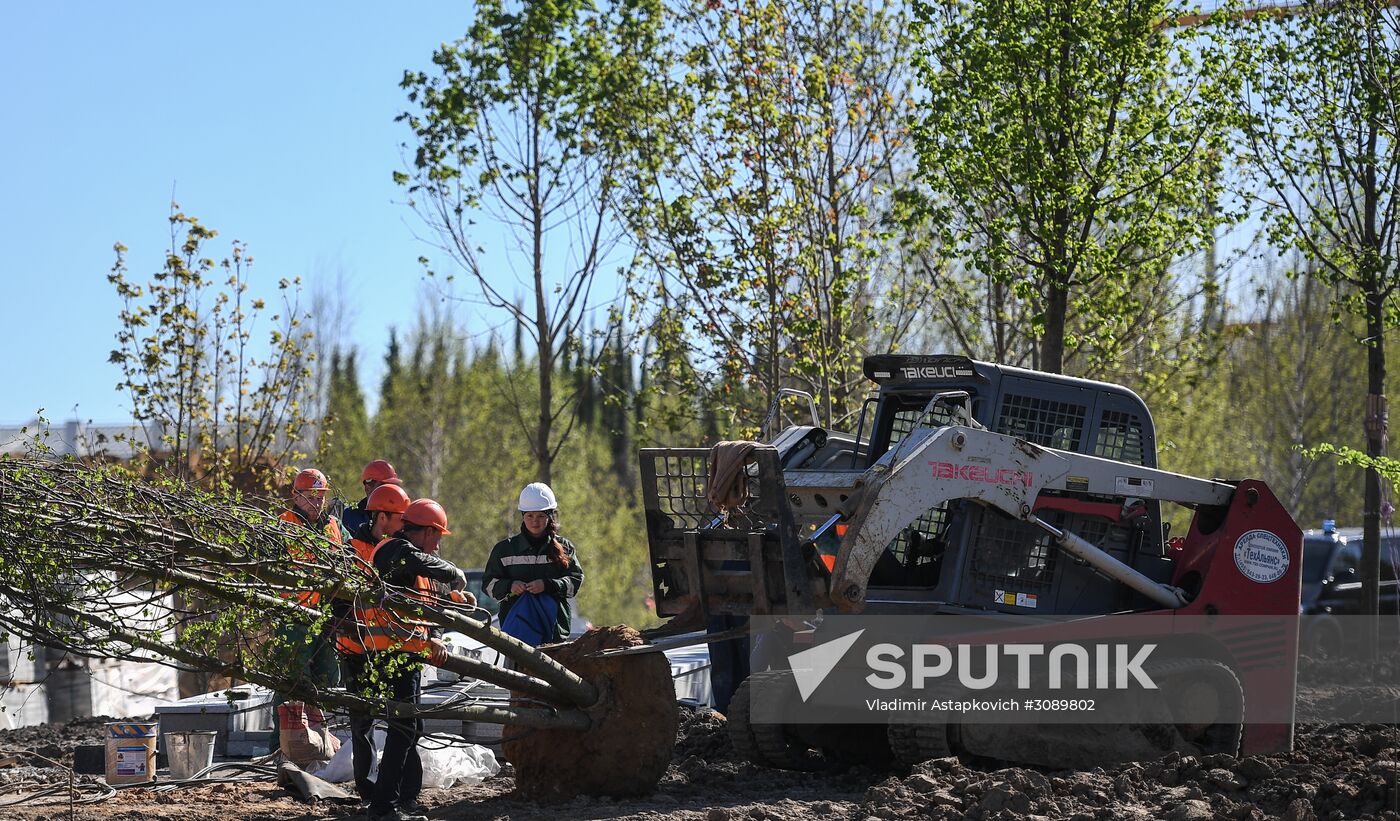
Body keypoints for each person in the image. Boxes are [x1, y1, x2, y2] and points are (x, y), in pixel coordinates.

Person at [355, 498, 470, 821]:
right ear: (425, 531)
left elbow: (417, 603)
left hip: (408, 652)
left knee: (410, 727)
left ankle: (397, 800)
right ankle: (383, 807)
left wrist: (452, 598)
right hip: (393, 654)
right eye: (437, 536)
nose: (437, 545)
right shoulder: (393, 550)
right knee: (403, 728)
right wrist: (454, 572)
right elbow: (415, 563)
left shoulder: (410, 560)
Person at [335, 482, 411, 804]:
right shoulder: (351, 550)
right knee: (362, 723)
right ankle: (368, 793)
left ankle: (405, 794)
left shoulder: (402, 548)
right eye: (399, 518)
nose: (404, 524)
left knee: (404, 723)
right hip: (357, 650)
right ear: (382, 517)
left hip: (392, 647)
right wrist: (349, 631)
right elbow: (339, 600)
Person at [270, 468, 344, 754]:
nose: (316, 502)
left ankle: (314, 746)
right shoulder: (283, 526)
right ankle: (282, 747)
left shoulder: (334, 526)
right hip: (293, 618)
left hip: (325, 619)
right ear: (295, 496)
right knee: (292, 684)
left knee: (326, 680)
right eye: (310, 496)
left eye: (320, 496)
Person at [483, 482, 585, 646]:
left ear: (550, 516)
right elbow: (488, 585)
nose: (534, 521)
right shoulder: (504, 550)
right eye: (530, 516)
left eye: (540, 516)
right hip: (516, 635)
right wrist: (510, 586)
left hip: (554, 634)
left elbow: (575, 582)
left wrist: (548, 585)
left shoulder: (565, 547)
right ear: (523, 516)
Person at [340, 459, 404, 535]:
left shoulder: (400, 515)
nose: (389, 490)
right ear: (368, 487)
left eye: (392, 486)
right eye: (383, 486)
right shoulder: (349, 516)